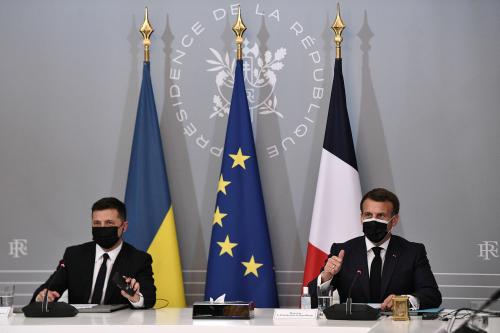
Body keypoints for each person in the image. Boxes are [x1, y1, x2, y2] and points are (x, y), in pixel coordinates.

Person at [307, 188, 441, 310]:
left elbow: (432, 295)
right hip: (354, 327)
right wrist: (326, 276)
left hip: (397, 326)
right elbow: (310, 302)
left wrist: (404, 301)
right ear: (361, 217)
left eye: (381, 216)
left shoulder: (412, 252)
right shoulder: (342, 251)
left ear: (394, 220)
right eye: (368, 215)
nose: (373, 220)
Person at [31, 197, 156, 308]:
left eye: (109, 223)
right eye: (97, 223)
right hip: (79, 326)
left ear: (124, 226)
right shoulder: (74, 255)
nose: (102, 228)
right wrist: (42, 297)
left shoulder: (139, 259)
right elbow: (47, 290)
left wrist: (135, 297)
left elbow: (149, 299)